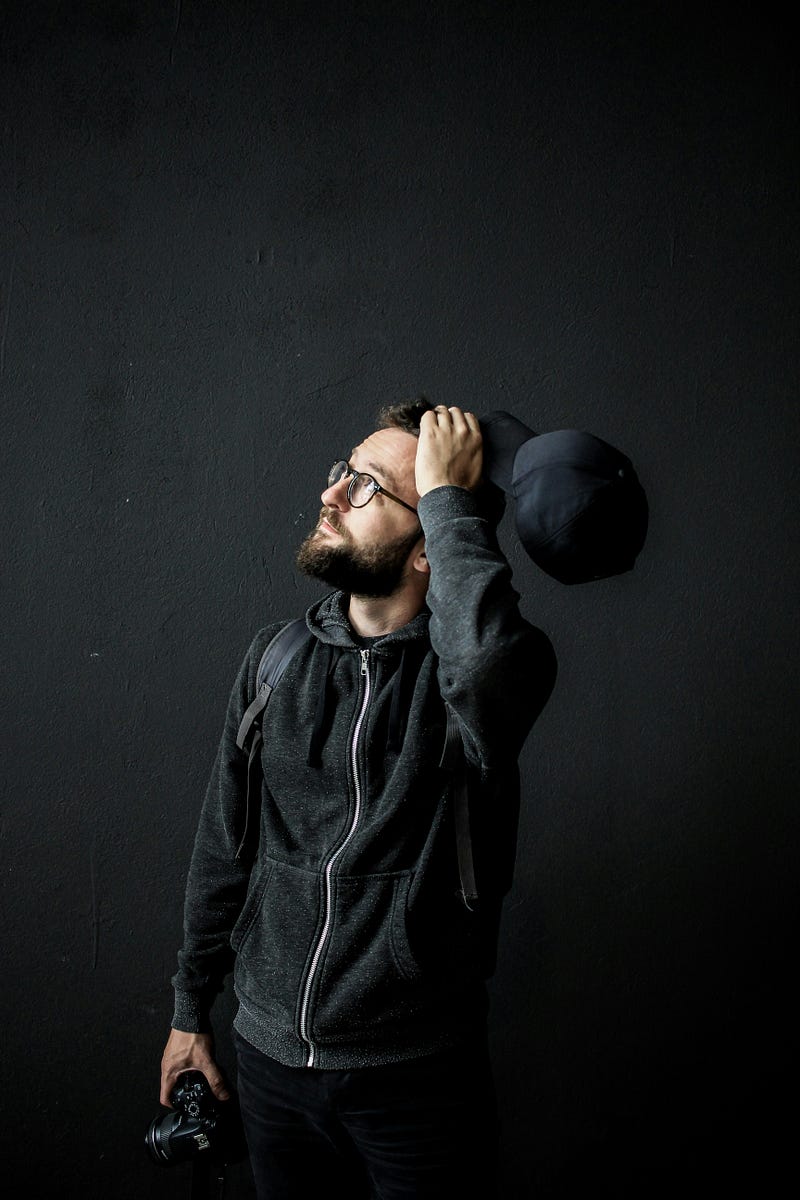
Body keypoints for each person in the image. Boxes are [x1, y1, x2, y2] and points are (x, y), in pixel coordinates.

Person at [160, 399, 557, 1198]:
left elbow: (481, 665)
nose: (332, 495)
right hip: (268, 1063)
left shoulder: (479, 682)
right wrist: (189, 1008)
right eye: (342, 472)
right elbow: (222, 846)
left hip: (416, 1080)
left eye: (369, 487)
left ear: (428, 550)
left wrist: (449, 497)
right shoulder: (274, 661)